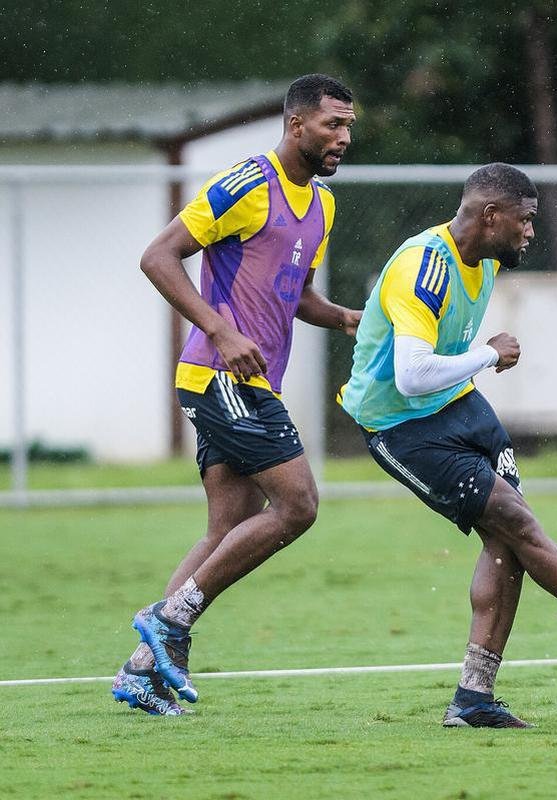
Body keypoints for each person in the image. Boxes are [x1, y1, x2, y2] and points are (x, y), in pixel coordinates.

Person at [338, 162, 557, 728]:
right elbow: (412, 374)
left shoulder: (485, 258)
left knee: (510, 538)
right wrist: (490, 355)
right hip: (401, 426)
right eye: (527, 219)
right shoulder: (427, 267)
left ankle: (474, 698)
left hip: (460, 406)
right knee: (516, 522)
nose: (531, 231)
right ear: (491, 215)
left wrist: (475, 367)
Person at [111, 74, 362, 716]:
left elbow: (295, 293)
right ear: (296, 124)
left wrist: (341, 317)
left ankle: (143, 671)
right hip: (220, 377)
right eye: (333, 124)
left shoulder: (323, 206)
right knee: (299, 504)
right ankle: (169, 622)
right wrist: (220, 330)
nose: (344, 137)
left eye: (349, 125)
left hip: (248, 382)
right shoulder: (247, 183)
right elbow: (158, 256)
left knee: (227, 527)